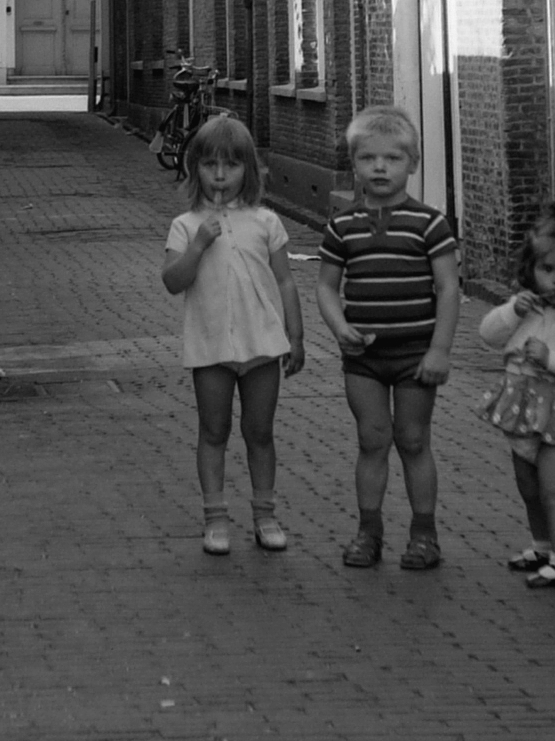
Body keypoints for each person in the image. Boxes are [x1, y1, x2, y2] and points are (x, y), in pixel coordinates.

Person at [316, 105, 460, 570]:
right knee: (371, 440)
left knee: (414, 440)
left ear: (412, 163)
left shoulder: (430, 224)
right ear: (354, 163)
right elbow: (326, 287)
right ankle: (369, 532)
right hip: (364, 358)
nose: (380, 168)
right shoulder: (342, 225)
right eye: (368, 158)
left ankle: (424, 535)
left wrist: (439, 350)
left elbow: (448, 288)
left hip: (416, 355)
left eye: (392, 158)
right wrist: (340, 328)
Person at [161, 113, 306, 555]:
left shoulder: (266, 222)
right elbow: (173, 281)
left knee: (260, 432)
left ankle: (265, 515)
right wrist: (199, 245)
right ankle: (215, 517)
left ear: (249, 169)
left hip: (261, 344)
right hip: (211, 347)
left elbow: (285, 280)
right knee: (214, 430)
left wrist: (296, 335)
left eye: (231, 165)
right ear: (195, 169)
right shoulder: (185, 225)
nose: (220, 175)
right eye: (210, 165)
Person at [477, 199, 555, 590]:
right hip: (522, 410)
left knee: (554, 491)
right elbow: (488, 335)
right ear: (531, 272)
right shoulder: (526, 310)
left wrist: (552, 359)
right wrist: (512, 311)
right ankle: (542, 547)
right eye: (548, 270)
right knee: (529, 488)